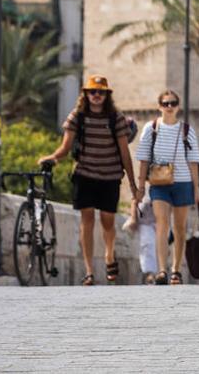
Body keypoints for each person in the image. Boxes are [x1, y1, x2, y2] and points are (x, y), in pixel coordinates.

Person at [39, 74, 139, 285]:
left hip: (110, 176)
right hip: (85, 174)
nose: (96, 95)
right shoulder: (77, 116)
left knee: (108, 222)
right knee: (86, 221)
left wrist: (132, 183)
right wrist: (53, 157)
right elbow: (65, 147)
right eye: (93, 91)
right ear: (85, 94)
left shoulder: (116, 118)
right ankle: (89, 271)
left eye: (101, 92)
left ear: (107, 95)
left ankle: (109, 255)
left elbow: (124, 153)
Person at [134, 90, 199, 285]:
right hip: (159, 184)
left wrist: (197, 190)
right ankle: (162, 270)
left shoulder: (187, 131)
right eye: (166, 104)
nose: (169, 107)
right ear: (159, 106)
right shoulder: (151, 128)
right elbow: (144, 159)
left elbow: (193, 162)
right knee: (162, 224)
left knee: (180, 228)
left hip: (183, 183)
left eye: (173, 103)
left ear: (178, 106)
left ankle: (176, 270)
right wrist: (140, 187)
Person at [123, 195, 157, 284]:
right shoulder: (142, 189)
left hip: (159, 224)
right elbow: (134, 200)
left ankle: (157, 273)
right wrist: (134, 218)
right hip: (145, 223)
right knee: (147, 247)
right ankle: (150, 273)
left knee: (156, 248)